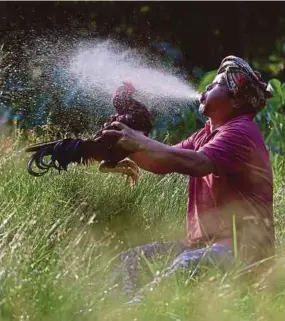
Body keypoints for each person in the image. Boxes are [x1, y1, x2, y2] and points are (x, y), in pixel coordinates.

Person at [101, 56, 275, 301]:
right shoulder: (205, 134)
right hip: (200, 245)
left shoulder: (241, 131)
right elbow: (163, 160)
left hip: (245, 251)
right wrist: (116, 150)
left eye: (215, 85)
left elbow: (197, 163)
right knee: (132, 259)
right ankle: (115, 311)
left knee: (183, 267)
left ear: (235, 100)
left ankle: (134, 312)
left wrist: (138, 141)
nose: (205, 88)